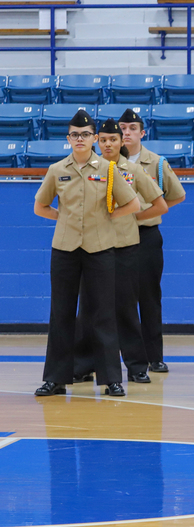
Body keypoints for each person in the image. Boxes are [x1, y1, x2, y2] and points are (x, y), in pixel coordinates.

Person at [33, 110, 140, 397]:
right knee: (61, 314)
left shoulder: (107, 169)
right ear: (68, 139)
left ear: (94, 138)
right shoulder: (57, 170)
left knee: (103, 314)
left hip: (100, 248)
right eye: (74, 134)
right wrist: (66, 218)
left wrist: (106, 217)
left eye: (85, 134)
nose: (79, 139)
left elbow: (132, 204)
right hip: (65, 249)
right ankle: (55, 379)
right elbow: (40, 207)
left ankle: (110, 379)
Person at [73, 119, 169, 385]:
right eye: (102, 139)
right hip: (91, 247)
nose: (107, 144)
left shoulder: (133, 170)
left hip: (125, 247)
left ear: (120, 142)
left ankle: (137, 366)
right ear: (95, 141)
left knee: (126, 308)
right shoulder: (85, 170)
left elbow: (160, 204)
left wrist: (132, 219)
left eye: (112, 139)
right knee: (89, 309)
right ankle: (82, 365)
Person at [119, 108, 187, 374]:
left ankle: (154, 356)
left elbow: (177, 196)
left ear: (142, 133)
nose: (126, 133)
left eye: (132, 128)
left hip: (146, 236)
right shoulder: (107, 161)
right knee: (113, 299)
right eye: (122, 128)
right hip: (115, 237)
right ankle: (107, 355)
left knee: (149, 297)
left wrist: (147, 214)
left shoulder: (157, 163)